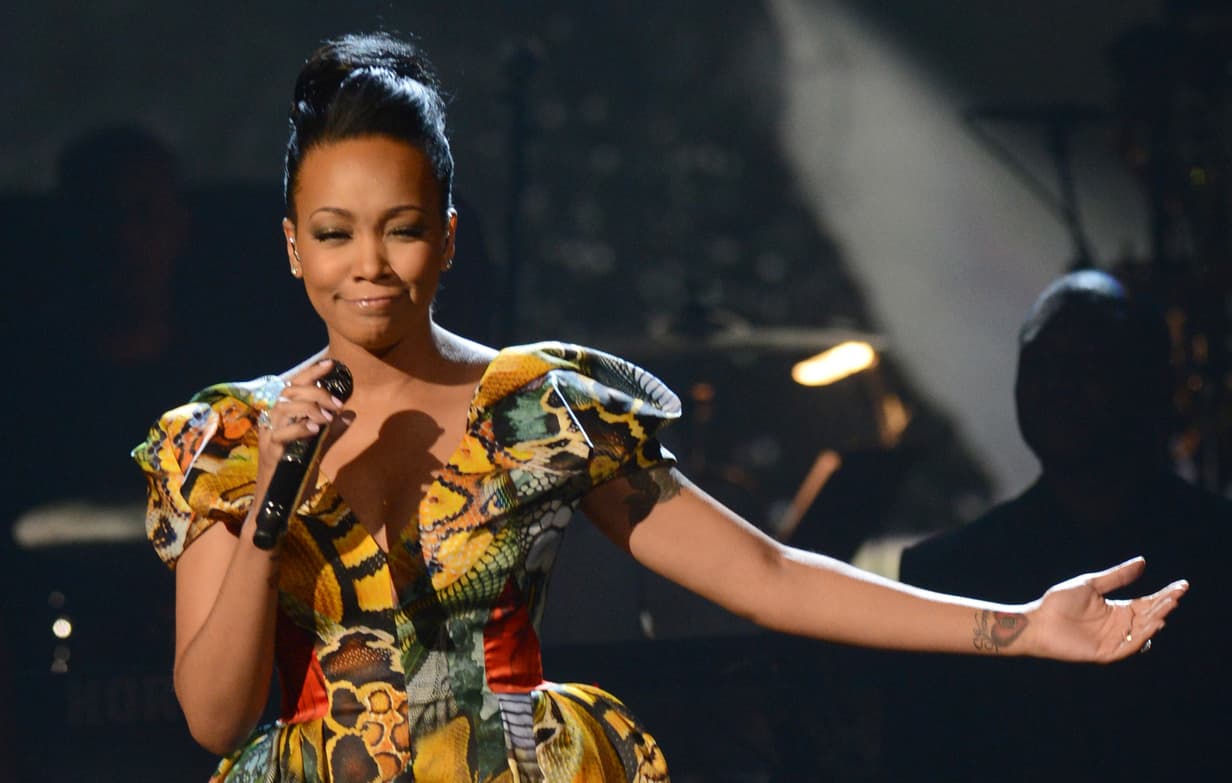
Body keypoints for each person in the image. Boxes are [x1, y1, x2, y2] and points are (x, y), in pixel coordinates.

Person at [132, 34, 1186, 783]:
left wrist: (1022, 627)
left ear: (447, 238)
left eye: (399, 228)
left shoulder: (537, 409)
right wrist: (274, 496)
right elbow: (213, 718)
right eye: (333, 232)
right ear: (289, 245)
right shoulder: (229, 438)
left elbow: (765, 577)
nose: (368, 265)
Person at [889, 270, 1231, 782]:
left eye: (1088, 362)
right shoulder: (945, 575)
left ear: (1151, 381)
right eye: (1041, 363)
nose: (1057, 385)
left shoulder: (1217, 554)